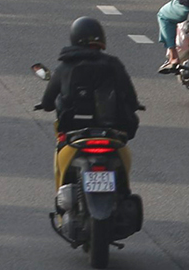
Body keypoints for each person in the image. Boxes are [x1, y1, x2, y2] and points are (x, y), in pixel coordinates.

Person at [36, 17, 139, 191]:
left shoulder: (65, 67)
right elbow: (130, 95)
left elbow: (48, 101)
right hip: (111, 131)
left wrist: (46, 105)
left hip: (74, 132)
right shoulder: (113, 64)